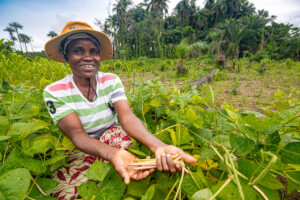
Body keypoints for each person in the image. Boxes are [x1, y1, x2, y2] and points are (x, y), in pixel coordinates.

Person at [43, 21, 196, 199]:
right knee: (65, 192)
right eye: (78, 51)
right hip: (83, 146)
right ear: (66, 55)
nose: (88, 57)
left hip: (113, 135)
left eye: (93, 51)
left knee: (128, 161)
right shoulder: (54, 91)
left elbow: (127, 117)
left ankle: (120, 162)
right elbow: (78, 135)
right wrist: (112, 154)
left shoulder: (110, 80)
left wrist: (158, 146)